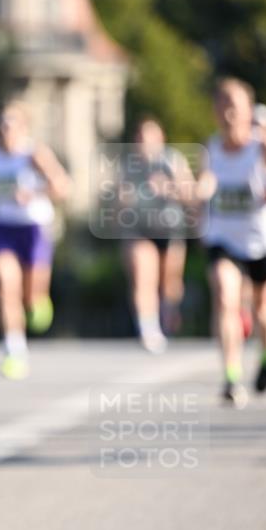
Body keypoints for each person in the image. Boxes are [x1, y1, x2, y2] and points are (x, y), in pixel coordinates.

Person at [0, 103, 70, 379]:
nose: (6, 130)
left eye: (12, 125)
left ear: (24, 129)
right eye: (2, 125)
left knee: (30, 295)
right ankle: (14, 349)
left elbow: (62, 187)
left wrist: (35, 192)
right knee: (4, 285)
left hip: (34, 229)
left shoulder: (34, 154)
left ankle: (38, 300)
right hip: (3, 229)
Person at [199, 78, 266, 406]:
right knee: (224, 294)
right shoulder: (211, 147)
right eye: (223, 103)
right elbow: (207, 181)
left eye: (235, 103)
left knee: (263, 309)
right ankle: (231, 376)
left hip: (260, 240)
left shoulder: (263, 145)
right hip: (223, 238)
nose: (229, 111)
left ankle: (264, 354)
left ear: (248, 110)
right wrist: (199, 192)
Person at [119, 117, 197, 353]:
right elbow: (116, 201)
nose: (145, 143)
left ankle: (168, 313)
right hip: (140, 229)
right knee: (144, 277)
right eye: (141, 138)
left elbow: (191, 195)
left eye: (150, 137)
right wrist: (123, 201)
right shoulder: (129, 165)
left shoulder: (173, 160)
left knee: (169, 284)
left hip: (170, 229)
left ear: (160, 139)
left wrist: (168, 188)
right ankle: (148, 329)